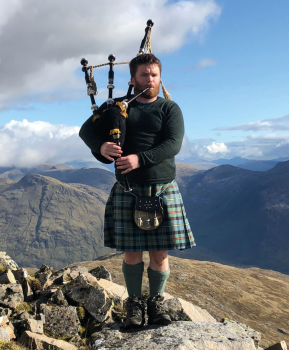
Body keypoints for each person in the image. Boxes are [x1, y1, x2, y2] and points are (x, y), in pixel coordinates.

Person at [79, 53, 195, 329]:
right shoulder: (118, 108)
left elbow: (173, 144)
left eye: (154, 74)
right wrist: (101, 148)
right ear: (132, 78)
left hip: (161, 189)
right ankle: (134, 304)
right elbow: (86, 131)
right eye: (144, 75)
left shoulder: (169, 109)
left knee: (159, 255)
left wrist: (139, 159)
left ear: (160, 77)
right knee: (132, 255)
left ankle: (156, 302)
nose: (150, 79)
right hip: (128, 190)